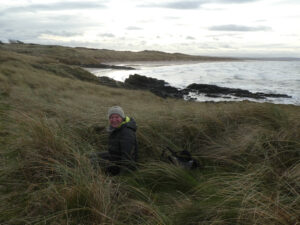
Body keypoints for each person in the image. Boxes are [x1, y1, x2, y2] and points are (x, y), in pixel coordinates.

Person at [91, 106, 138, 175]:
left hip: (121, 166)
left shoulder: (127, 133)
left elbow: (128, 159)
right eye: (111, 117)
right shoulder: (117, 129)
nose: (114, 120)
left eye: (117, 117)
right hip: (115, 157)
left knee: (93, 161)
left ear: (122, 118)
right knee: (92, 156)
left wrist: (121, 177)